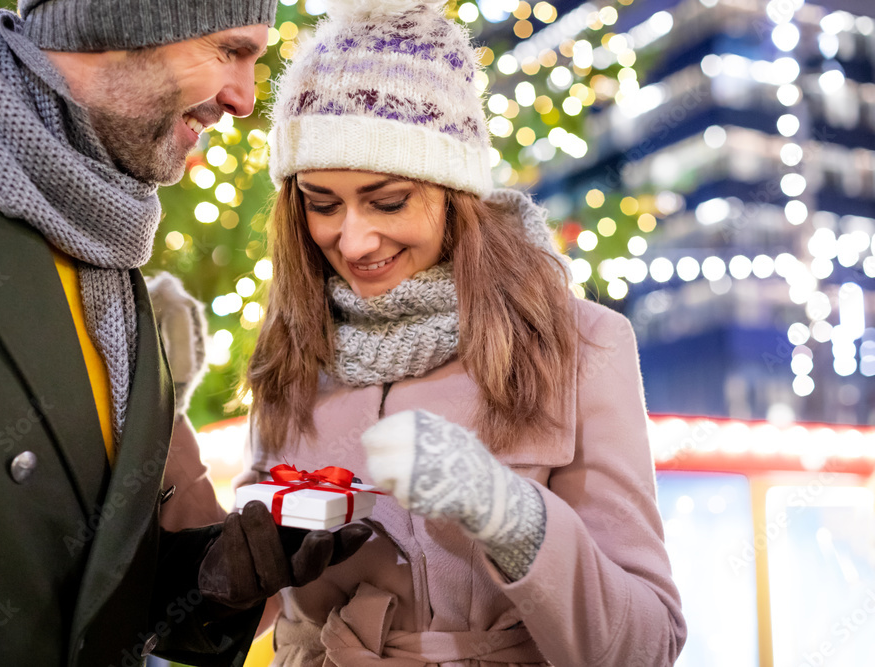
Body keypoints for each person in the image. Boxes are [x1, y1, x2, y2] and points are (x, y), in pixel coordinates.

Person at [0, 0, 370, 665]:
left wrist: (212, 581)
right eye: (228, 50)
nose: (245, 98)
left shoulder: (108, 246)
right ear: (115, 24)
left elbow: (94, 581)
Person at [241, 0, 687, 664]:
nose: (353, 239)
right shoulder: (293, 349)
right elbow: (239, 612)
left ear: (456, 194)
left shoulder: (582, 345)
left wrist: (511, 516)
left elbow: (645, 643)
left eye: (388, 200)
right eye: (321, 203)